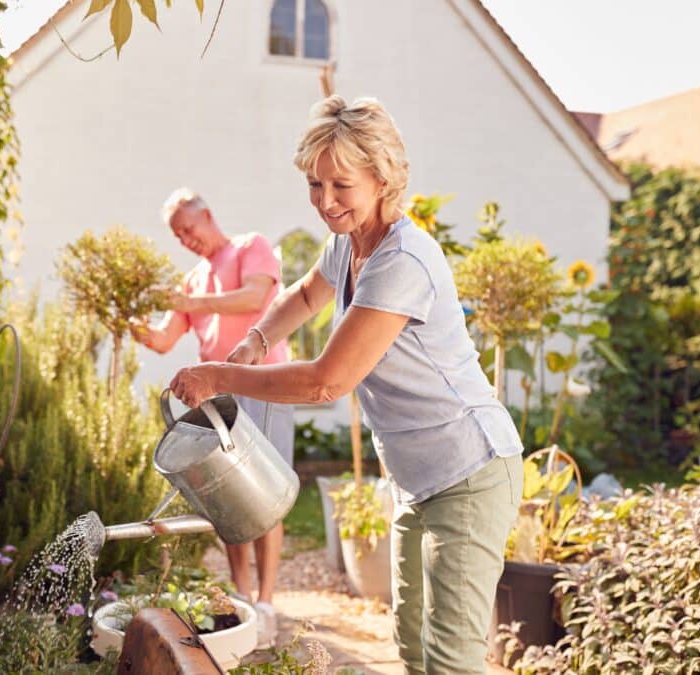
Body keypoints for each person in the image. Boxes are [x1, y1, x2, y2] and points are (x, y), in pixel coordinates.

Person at [168, 96, 524, 674]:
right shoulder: (348, 244)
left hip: (470, 471)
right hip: (417, 481)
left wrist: (220, 376)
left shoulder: (401, 261)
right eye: (314, 184)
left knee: (451, 661)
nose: (325, 202)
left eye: (341, 185)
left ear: (382, 179)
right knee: (412, 647)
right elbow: (306, 294)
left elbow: (325, 382)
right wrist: (257, 339)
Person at [132, 188, 294, 649]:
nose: (186, 239)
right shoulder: (192, 280)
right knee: (228, 500)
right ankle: (242, 596)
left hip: (264, 383)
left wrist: (193, 304)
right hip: (216, 397)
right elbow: (164, 339)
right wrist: (121, 313)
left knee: (268, 493)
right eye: (178, 235)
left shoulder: (249, 247)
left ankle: (266, 603)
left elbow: (253, 298)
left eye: (189, 228)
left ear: (208, 215)